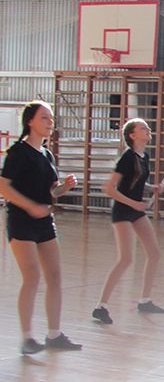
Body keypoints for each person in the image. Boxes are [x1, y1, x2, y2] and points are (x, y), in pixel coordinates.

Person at [0, 100, 83, 354]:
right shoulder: (18, 152)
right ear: (30, 121)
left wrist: (64, 187)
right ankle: (27, 338)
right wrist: (30, 207)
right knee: (32, 276)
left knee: (55, 277)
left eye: (51, 118)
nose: (50, 122)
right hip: (21, 222)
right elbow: (4, 187)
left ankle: (54, 335)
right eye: (44, 117)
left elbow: (51, 192)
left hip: (45, 222)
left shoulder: (47, 155)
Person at [92, 118, 164, 325]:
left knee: (154, 253)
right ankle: (100, 307)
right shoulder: (126, 157)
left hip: (136, 210)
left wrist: (151, 188)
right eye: (143, 128)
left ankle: (145, 300)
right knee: (125, 259)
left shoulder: (144, 157)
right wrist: (134, 204)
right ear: (132, 135)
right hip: (123, 211)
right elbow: (109, 188)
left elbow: (137, 182)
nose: (148, 129)